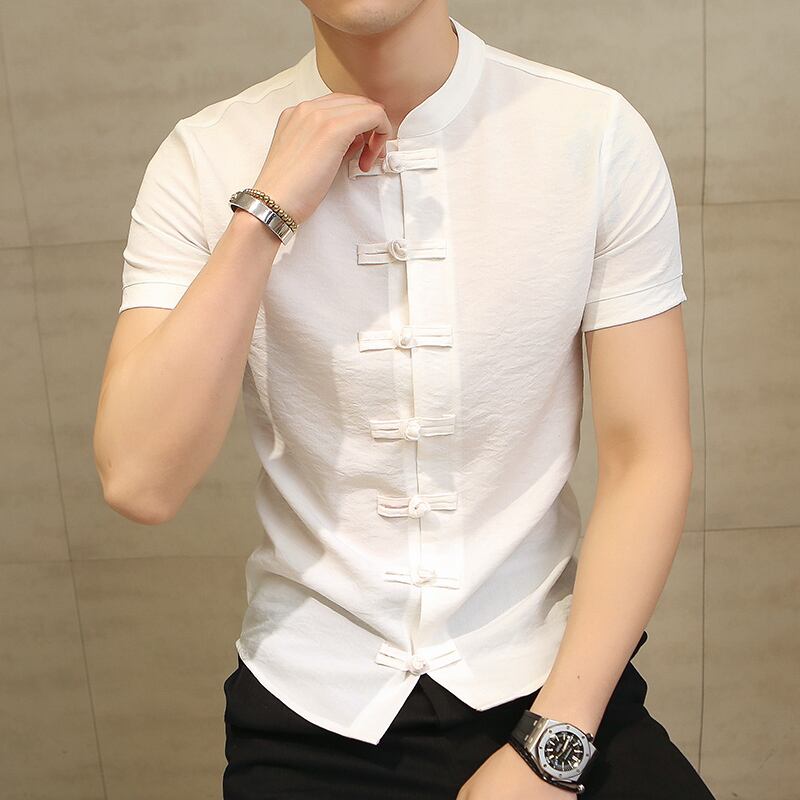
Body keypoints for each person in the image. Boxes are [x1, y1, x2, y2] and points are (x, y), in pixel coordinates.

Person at [93, 1, 718, 798]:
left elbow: (647, 458)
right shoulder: (203, 156)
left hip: (558, 683)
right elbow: (140, 480)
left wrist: (553, 745)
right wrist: (266, 209)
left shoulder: (592, 133)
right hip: (308, 709)